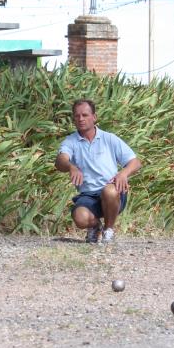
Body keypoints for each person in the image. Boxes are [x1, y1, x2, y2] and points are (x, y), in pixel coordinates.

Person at [55, 99, 142, 244]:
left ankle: (109, 231)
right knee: (79, 218)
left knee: (109, 191)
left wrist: (123, 173)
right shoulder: (71, 141)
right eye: (77, 116)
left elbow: (135, 162)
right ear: (73, 119)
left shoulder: (109, 139)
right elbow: (60, 161)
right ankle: (96, 227)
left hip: (113, 193)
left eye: (85, 115)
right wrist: (71, 167)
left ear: (94, 117)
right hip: (88, 195)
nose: (81, 119)